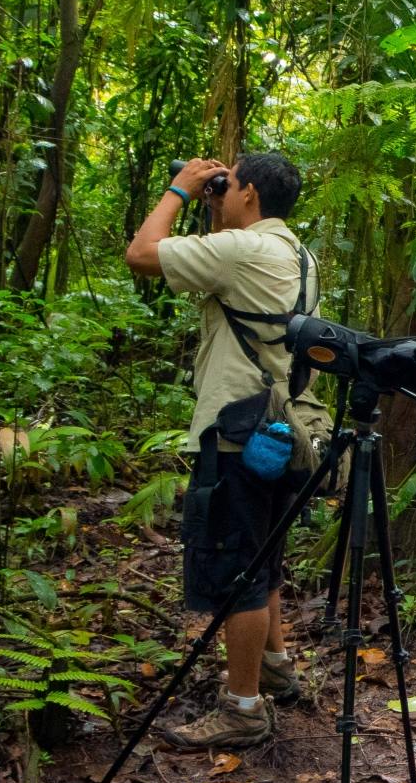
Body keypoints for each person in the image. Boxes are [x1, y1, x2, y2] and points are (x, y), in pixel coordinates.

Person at [125, 154, 323, 749]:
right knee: (261, 559)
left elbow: (142, 253)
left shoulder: (244, 253)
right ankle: (276, 667)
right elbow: (219, 263)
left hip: (238, 437)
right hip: (279, 432)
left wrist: (179, 189)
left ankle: (242, 709)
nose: (219, 190)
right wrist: (218, 205)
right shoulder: (297, 254)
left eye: (227, 184)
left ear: (252, 193)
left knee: (238, 568)